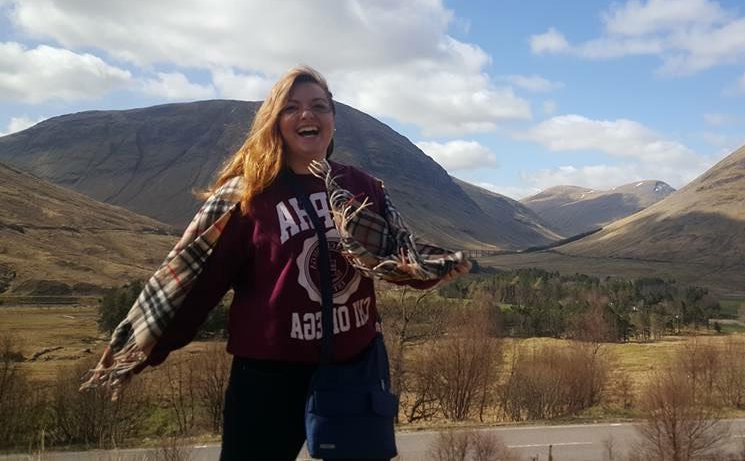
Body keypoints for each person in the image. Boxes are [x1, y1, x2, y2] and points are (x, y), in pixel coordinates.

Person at [84, 65, 470, 460]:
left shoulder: (362, 187)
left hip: (354, 369)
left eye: (319, 106)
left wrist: (434, 268)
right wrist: (150, 346)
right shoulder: (246, 197)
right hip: (268, 378)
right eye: (292, 108)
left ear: (332, 119)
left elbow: (394, 255)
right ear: (276, 122)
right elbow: (198, 283)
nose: (308, 115)